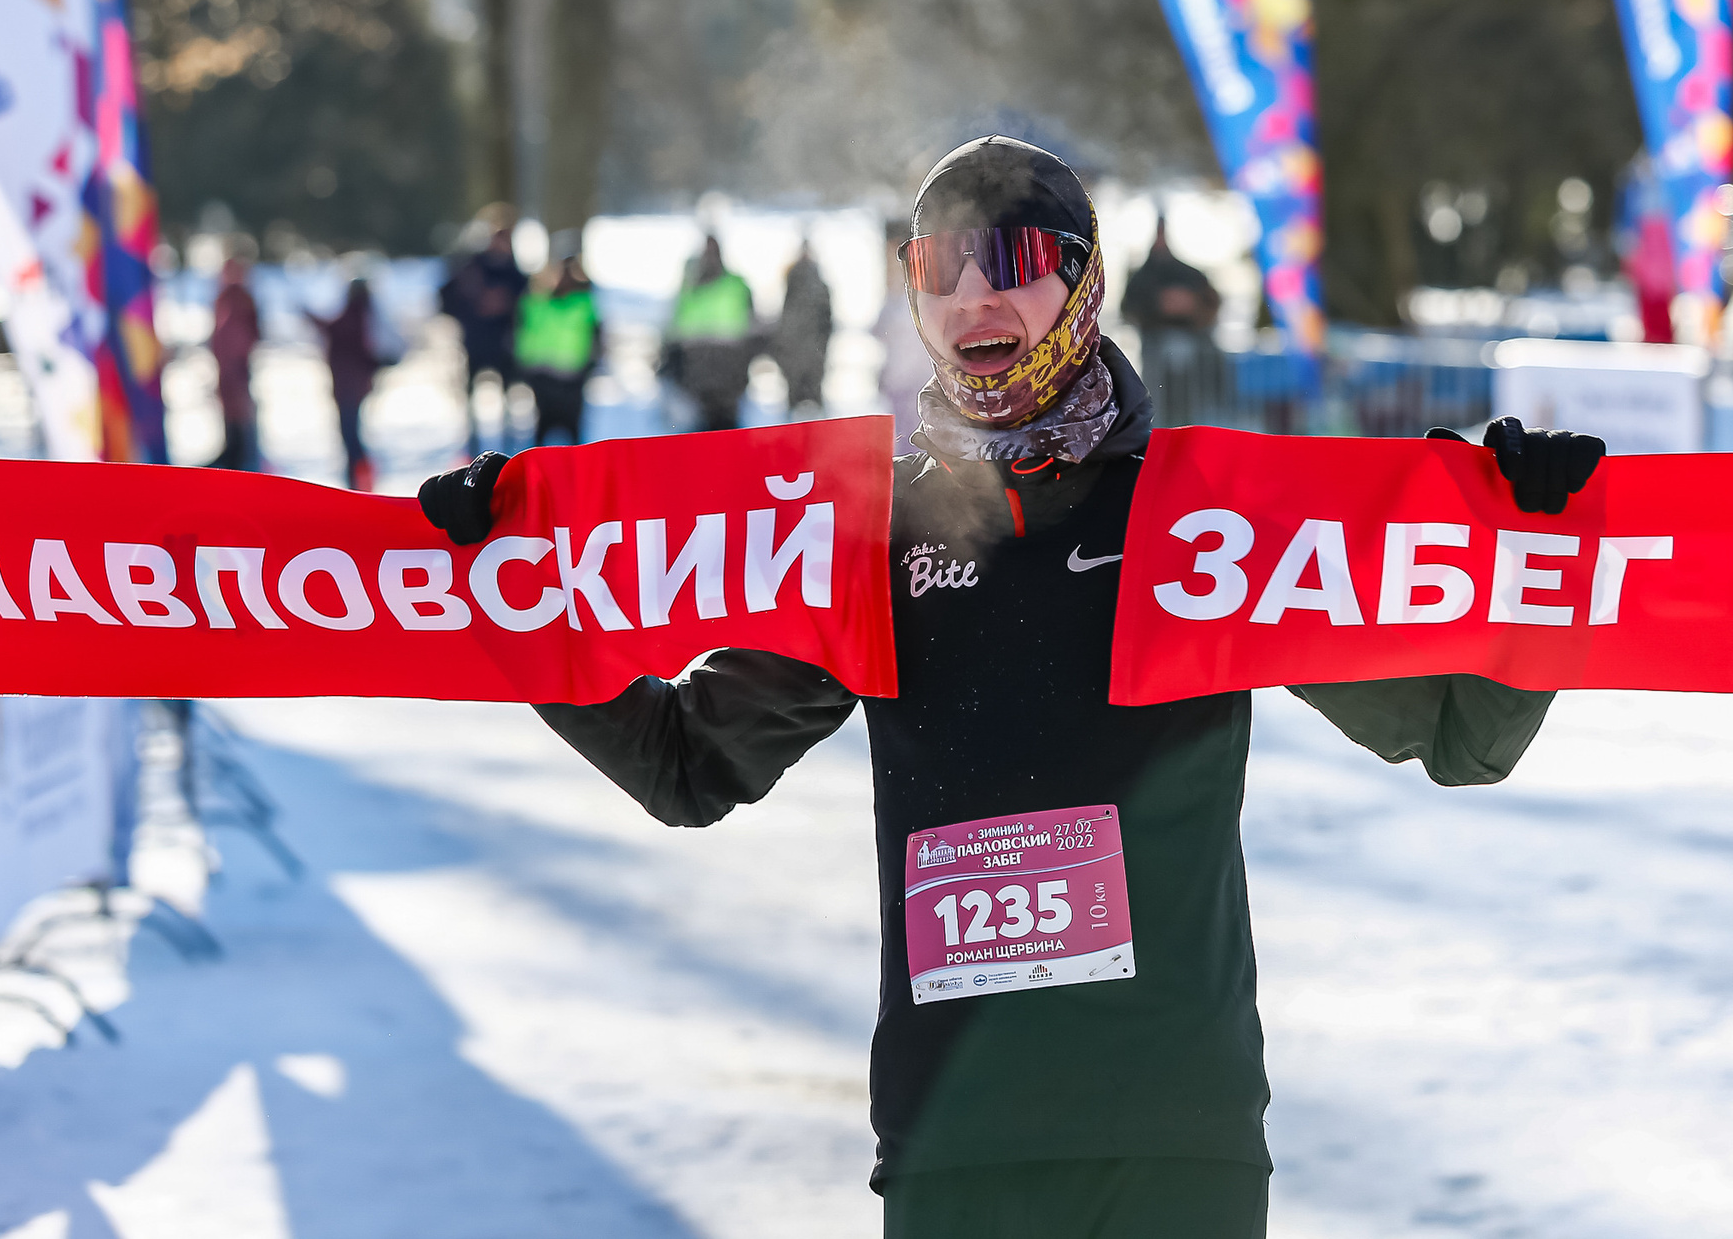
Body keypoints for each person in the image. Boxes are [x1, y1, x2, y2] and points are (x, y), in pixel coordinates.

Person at [418, 137, 1604, 1238]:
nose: (973, 299)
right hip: (957, 1147)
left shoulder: (1202, 524)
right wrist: (511, 601)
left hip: (1171, 1143)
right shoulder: (867, 536)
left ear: (1083, 288)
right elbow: (685, 765)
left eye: (1015, 264)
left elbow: (1460, 736)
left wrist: (1544, 550)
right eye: (937, 268)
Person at [1118, 217, 1225, 426]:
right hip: (1155, 351)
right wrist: (1158, 307)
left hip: (1193, 356)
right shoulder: (1141, 278)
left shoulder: (1190, 274)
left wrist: (1192, 306)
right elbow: (1129, 309)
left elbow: (1211, 304)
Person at [440, 208, 528, 453]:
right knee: (472, 400)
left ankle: (507, 451)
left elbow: (528, 305)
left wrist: (507, 305)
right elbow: (446, 297)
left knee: (508, 399)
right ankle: (472, 448)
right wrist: (474, 305)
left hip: (504, 345)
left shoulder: (515, 271)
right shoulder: (472, 267)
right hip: (476, 343)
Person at [663, 235, 754, 433]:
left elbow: (673, 331)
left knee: (711, 434)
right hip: (711, 371)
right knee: (714, 433)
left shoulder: (694, 287)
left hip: (714, 370)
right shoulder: (733, 285)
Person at [514, 242, 601, 446]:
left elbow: (595, 338)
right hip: (542, 375)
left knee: (573, 436)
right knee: (542, 433)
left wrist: (590, 365)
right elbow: (523, 333)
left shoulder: (585, 301)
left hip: (572, 376)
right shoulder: (534, 301)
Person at [313, 277, 391, 490]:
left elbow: (335, 329)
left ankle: (359, 483)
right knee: (351, 434)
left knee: (350, 436)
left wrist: (309, 316)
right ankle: (360, 481)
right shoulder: (365, 314)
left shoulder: (355, 314)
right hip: (354, 385)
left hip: (349, 386)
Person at [872, 220, 932, 449]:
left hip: (917, 379)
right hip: (901, 379)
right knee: (905, 439)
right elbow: (880, 331)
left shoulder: (917, 291)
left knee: (917, 438)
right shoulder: (894, 296)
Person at [208, 252, 262, 471]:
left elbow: (244, 335)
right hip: (227, 368)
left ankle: (244, 460)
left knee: (241, 413)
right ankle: (233, 454)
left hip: (237, 367)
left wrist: (235, 361)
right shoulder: (224, 296)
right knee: (231, 413)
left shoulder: (240, 298)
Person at [774, 240, 834, 415]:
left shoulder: (802, 284)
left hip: (804, 357)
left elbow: (825, 324)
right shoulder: (808, 285)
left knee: (802, 403)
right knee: (807, 403)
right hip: (804, 357)